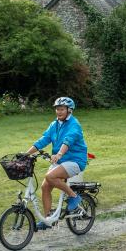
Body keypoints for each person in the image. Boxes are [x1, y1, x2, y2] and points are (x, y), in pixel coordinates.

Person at [25, 97, 88, 230]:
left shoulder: (74, 124)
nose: (58, 112)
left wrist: (59, 154)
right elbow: (43, 140)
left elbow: (67, 141)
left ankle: (74, 197)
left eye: (61, 109)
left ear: (69, 111)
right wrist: (26, 154)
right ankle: (48, 220)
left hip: (75, 160)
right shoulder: (54, 124)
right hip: (60, 161)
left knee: (50, 177)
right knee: (45, 187)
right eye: (57, 109)